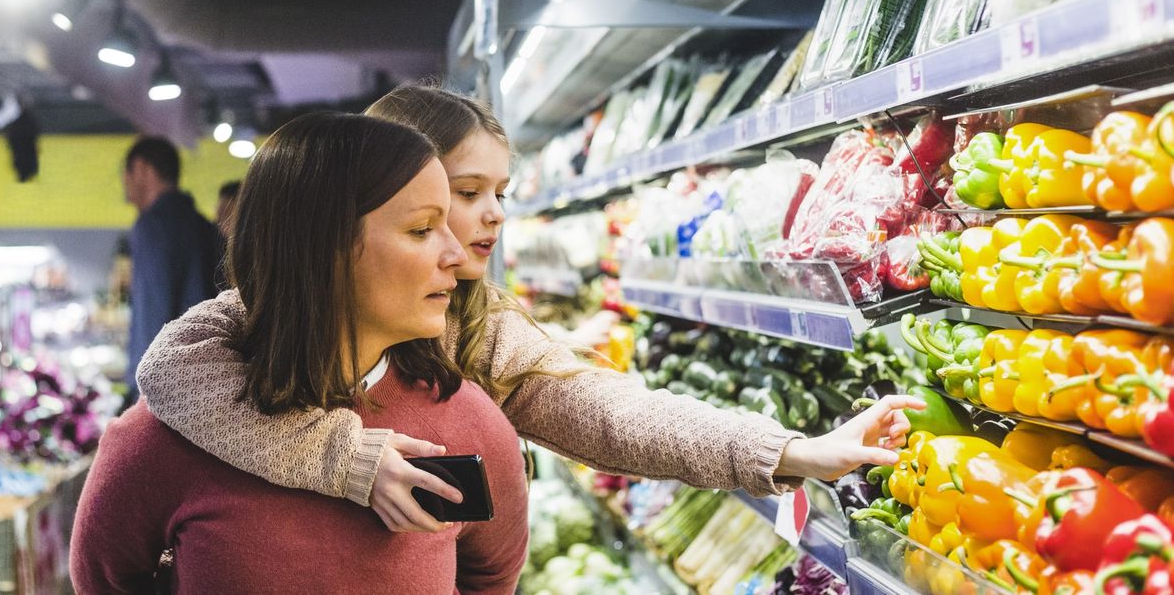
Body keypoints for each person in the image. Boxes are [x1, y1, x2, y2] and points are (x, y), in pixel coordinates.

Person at [137, 85, 923, 535]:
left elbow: (604, 411)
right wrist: (343, 457)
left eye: (496, 196)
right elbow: (173, 369)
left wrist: (790, 451)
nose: (487, 219)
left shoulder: (473, 324)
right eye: (461, 195)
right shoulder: (253, 327)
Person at [72, 113, 530, 593]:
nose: (456, 254)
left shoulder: (471, 426)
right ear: (322, 248)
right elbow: (105, 580)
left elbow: (492, 577)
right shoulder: (160, 439)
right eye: (421, 230)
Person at [121, 136, 220, 400]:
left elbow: (151, 313)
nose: (124, 184)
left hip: (165, 391)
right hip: (205, 380)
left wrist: (139, 393)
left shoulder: (152, 227)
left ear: (141, 168)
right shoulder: (203, 227)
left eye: (126, 173)